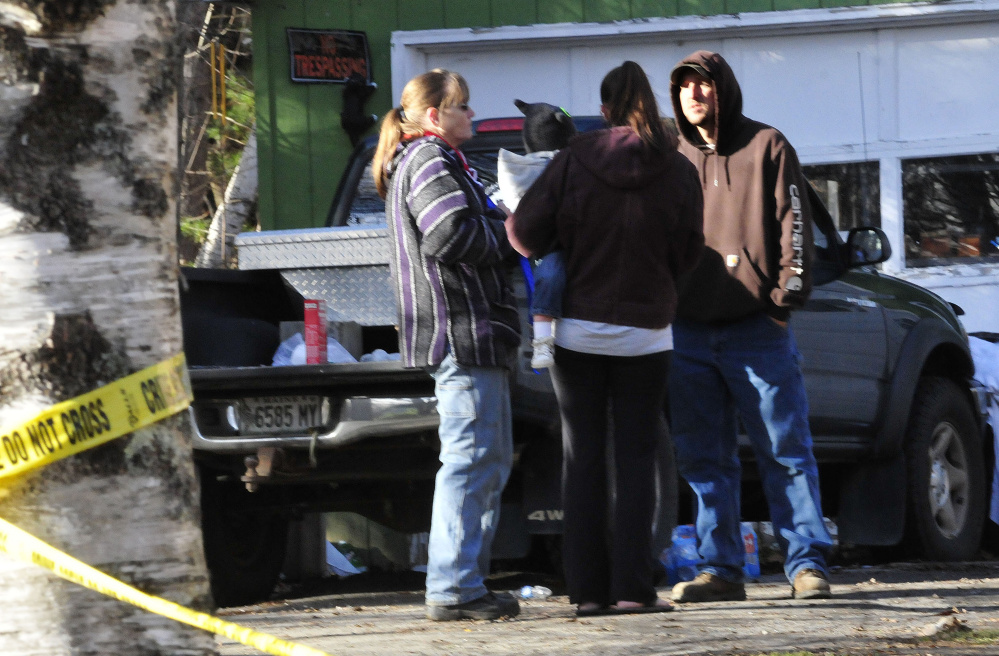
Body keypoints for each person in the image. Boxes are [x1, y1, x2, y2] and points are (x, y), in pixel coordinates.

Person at [508, 61, 704, 617]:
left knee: (583, 459)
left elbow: (523, 232)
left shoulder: (574, 159)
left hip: (578, 331)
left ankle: (588, 593)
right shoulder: (678, 166)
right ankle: (633, 590)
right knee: (637, 461)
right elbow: (691, 249)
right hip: (646, 334)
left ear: (604, 107)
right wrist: (659, 277)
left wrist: (561, 247)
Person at [666, 50, 834, 603]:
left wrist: (784, 298)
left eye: (704, 85)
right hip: (686, 332)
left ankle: (806, 563)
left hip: (758, 329)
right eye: (685, 86)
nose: (694, 94)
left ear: (724, 90)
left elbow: (795, 224)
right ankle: (720, 571)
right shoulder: (671, 156)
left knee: (785, 451)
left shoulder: (768, 145)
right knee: (703, 459)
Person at [372, 69, 522, 621]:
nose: (472, 117)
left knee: (489, 460)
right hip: (462, 335)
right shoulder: (430, 160)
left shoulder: (431, 160)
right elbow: (447, 232)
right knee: (469, 461)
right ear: (435, 116)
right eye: (464, 107)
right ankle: (454, 588)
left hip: (473, 337)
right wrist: (509, 237)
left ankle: (467, 583)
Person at [495, 99, 577, 369]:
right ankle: (542, 343)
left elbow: (513, 228)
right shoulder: (577, 168)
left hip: (538, 256)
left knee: (549, 275)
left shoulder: (515, 176)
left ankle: (542, 342)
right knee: (551, 273)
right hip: (563, 258)